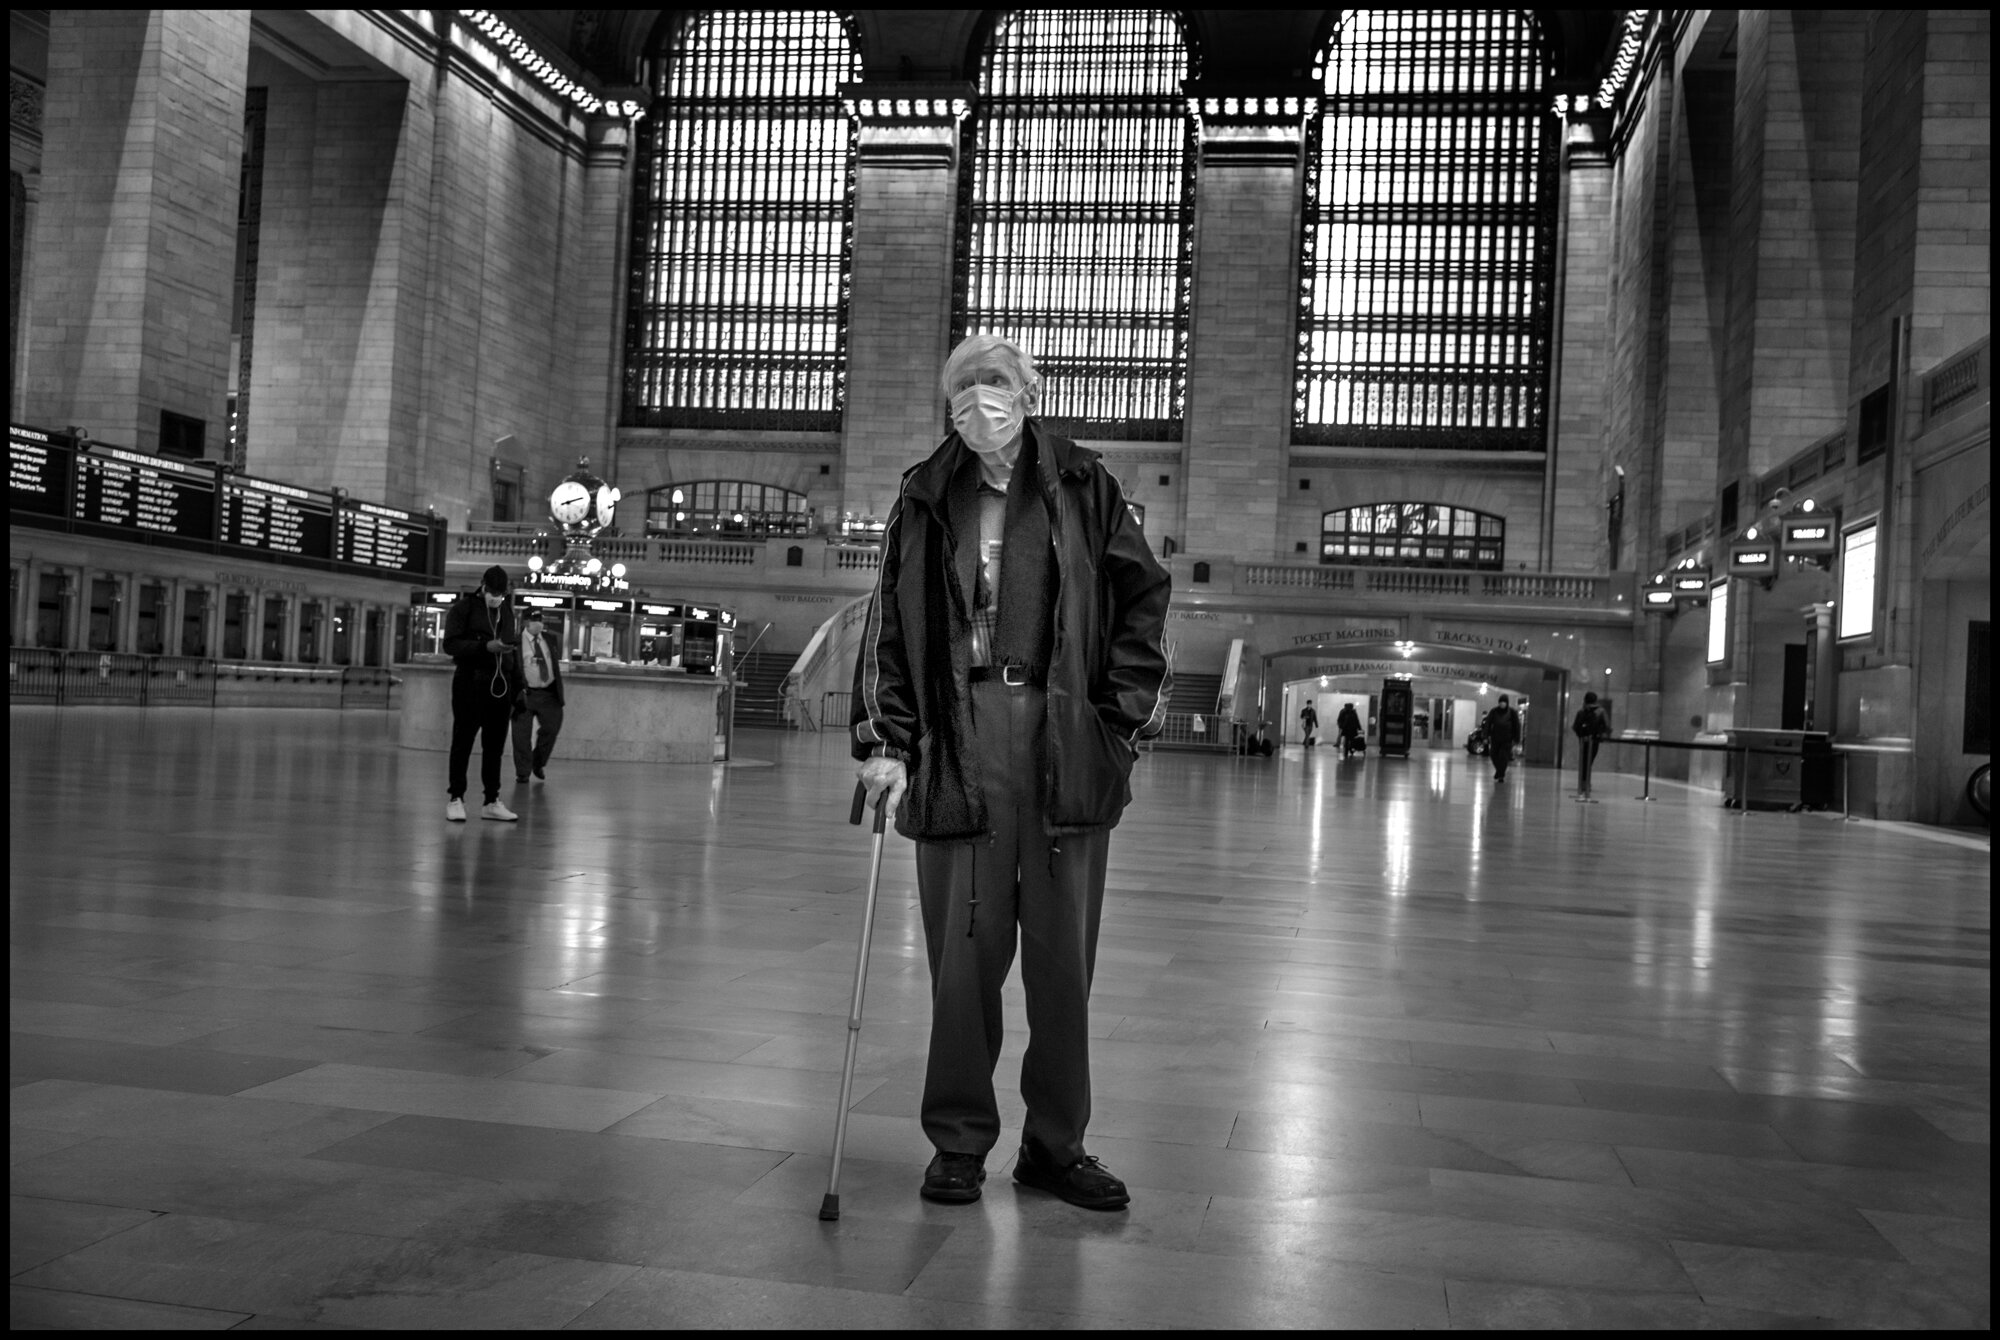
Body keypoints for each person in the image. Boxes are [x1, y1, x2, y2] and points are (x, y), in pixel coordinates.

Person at [852, 333, 1171, 1212]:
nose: (979, 399)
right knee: (964, 956)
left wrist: (1119, 720)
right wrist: (886, 740)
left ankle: (1055, 1146)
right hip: (959, 738)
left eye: (995, 383)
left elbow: (1145, 596)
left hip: (1064, 737)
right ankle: (958, 1141)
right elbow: (889, 624)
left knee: (1063, 962)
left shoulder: (1083, 485)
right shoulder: (925, 494)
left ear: (1029, 394)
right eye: (964, 387)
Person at [442, 565, 521, 822]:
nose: (495, 596)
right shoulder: (463, 609)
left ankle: (491, 800)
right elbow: (450, 644)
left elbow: (513, 650)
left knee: (494, 745)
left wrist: (517, 687)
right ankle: (456, 797)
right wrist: (484, 647)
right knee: (463, 741)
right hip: (470, 682)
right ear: (482, 586)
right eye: (492, 591)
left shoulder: (506, 610)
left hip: (500, 685)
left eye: (500, 592)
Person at [513, 612, 565, 784]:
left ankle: (538, 762)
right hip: (525, 694)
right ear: (525, 622)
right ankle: (523, 772)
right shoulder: (515, 642)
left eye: (540, 620)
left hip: (548, 693)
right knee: (521, 735)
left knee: (551, 728)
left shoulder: (550, 639)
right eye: (534, 620)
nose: (538, 624)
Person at [1572, 691, 1611, 800]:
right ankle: (1586, 783)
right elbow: (1607, 726)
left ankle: (1582, 783)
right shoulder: (1601, 711)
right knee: (1589, 761)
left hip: (1583, 740)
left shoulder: (1581, 711)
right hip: (1594, 740)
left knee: (1583, 761)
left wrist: (1581, 736)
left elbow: (1575, 726)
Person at [1483, 694, 1522, 783]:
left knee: (1503, 757)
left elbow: (1516, 726)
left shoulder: (1512, 712)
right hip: (1495, 738)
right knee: (1493, 755)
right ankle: (1499, 771)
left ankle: (1500, 775)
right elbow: (1488, 724)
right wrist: (1485, 736)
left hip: (1507, 739)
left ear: (1507, 703)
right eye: (1500, 702)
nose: (1502, 704)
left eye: (1504, 702)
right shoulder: (1494, 711)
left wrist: (1517, 738)